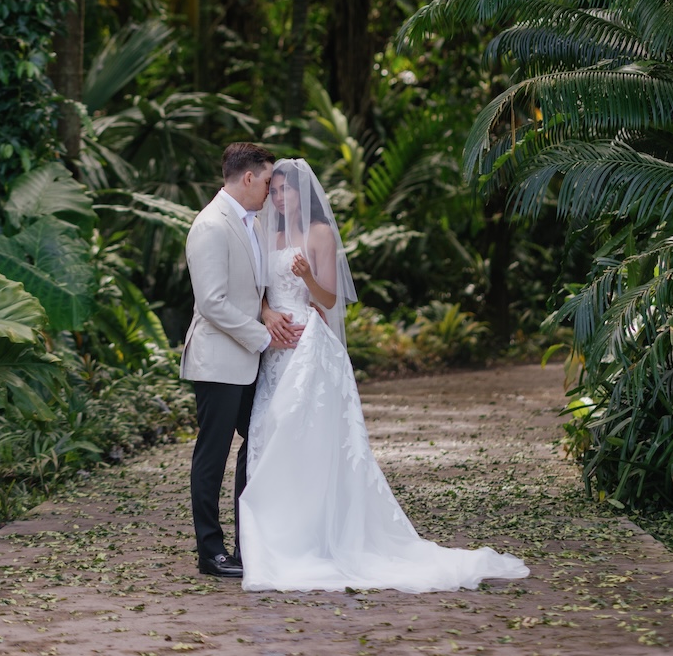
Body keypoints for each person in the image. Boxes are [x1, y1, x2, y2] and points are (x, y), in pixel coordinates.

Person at [237, 156, 530, 593]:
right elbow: (257, 290)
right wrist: (265, 313)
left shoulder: (319, 234)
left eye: (286, 189)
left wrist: (306, 278)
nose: (279, 196)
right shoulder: (265, 231)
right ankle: (269, 537)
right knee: (267, 433)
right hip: (276, 345)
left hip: (308, 345)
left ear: (304, 193)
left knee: (307, 436)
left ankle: (313, 536)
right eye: (274, 189)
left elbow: (331, 299)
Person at [181, 141, 302, 579]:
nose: (272, 191)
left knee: (260, 443)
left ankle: (249, 542)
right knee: (211, 456)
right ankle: (210, 552)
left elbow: (252, 289)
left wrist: (267, 310)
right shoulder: (211, 225)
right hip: (219, 360)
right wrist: (264, 335)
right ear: (247, 177)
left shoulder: (253, 221)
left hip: (247, 360)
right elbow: (211, 303)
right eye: (268, 181)